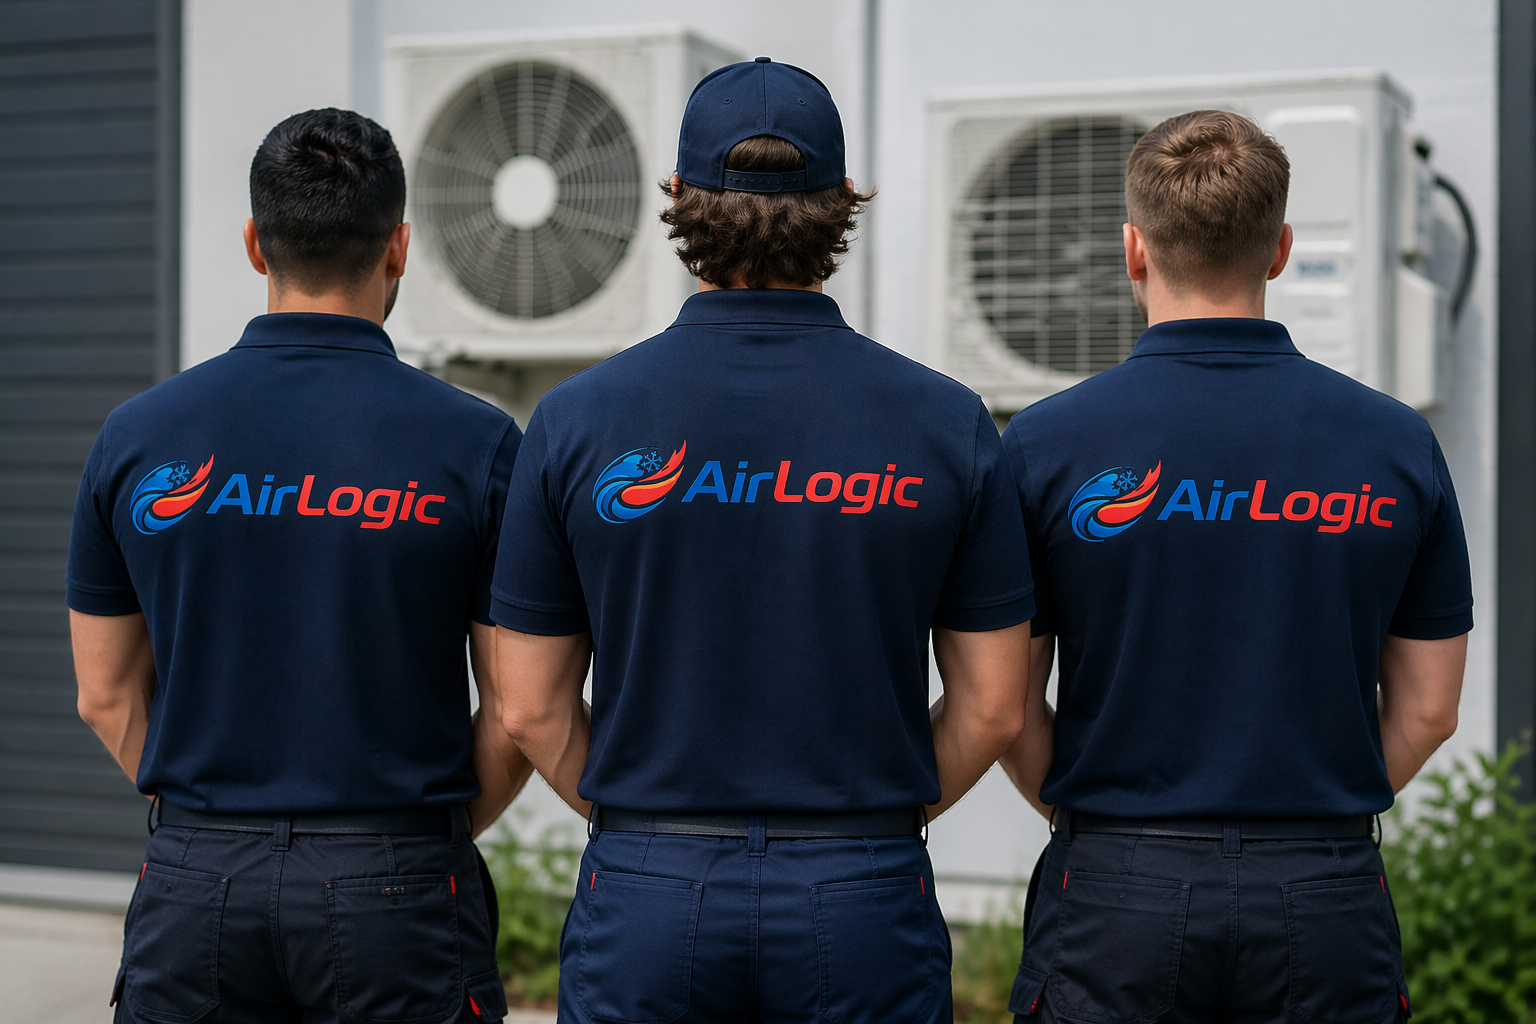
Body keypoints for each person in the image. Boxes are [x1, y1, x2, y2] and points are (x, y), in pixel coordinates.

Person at [491, 57, 1035, 1024]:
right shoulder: (946, 423)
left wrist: (647, 829)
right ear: (840, 206)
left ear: (675, 200)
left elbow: (529, 708)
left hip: (649, 882)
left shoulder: (575, 423)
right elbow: (994, 707)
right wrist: (869, 828)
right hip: (862, 885)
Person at [997, 109, 1472, 1024]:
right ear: (1280, 248)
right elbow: (1429, 708)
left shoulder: (1048, 444)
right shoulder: (1394, 444)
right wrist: (1314, 813)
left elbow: (1006, 701)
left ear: (1133, 250)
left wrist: (1096, 829)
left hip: (1114, 887)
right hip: (1324, 889)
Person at [67, 109, 527, 1024]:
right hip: (397, 877)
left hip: (196, 884)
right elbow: (519, 710)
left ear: (253, 243)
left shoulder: (138, 437)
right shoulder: (476, 444)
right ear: (399, 248)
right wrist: (415, 842)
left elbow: (105, 696)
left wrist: (217, 829)